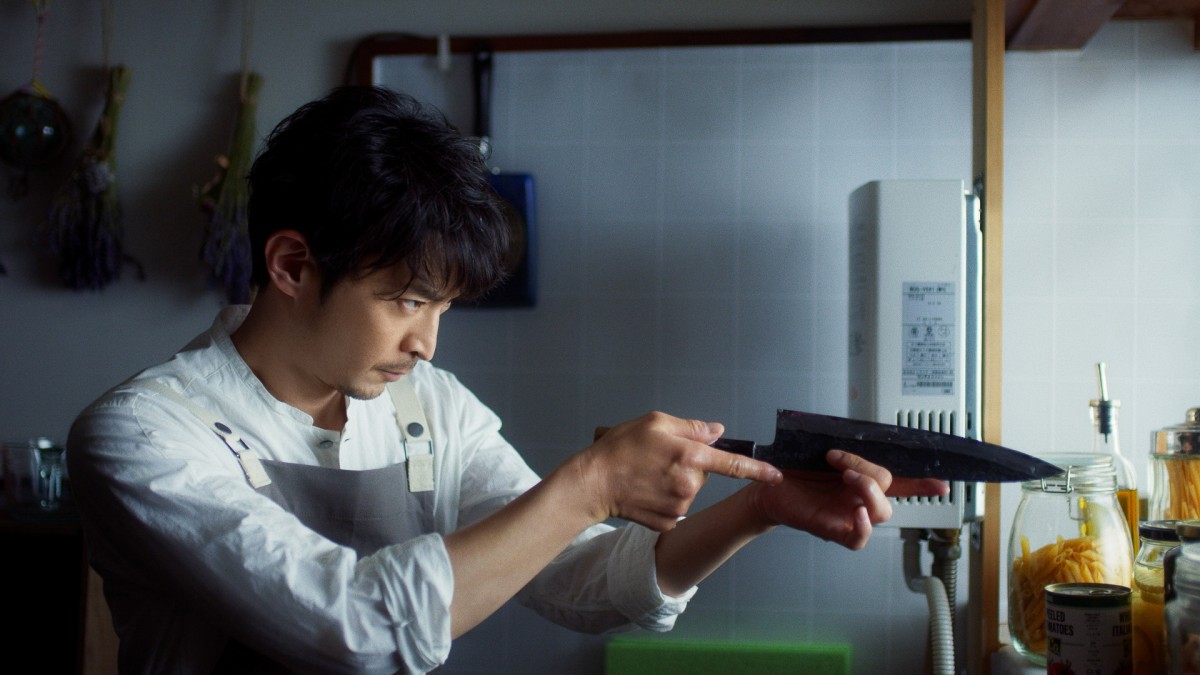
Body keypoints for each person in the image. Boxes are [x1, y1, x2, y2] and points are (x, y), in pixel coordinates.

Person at [67, 86, 947, 674]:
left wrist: (757, 507)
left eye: (443, 306)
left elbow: (579, 577)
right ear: (293, 265)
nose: (427, 344)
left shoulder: (427, 407)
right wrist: (591, 481)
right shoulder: (144, 433)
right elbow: (355, 627)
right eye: (408, 299)